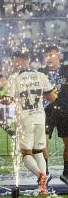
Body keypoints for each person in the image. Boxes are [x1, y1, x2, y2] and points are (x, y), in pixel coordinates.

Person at [2, 51, 55, 195]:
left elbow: (7, 100)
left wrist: (1, 97)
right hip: (40, 117)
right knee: (39, 152)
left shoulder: (14, 77)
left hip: (25, 119)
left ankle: (40, 176)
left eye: (15, 61)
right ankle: (43, 188)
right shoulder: (41, 76)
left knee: (25, 153)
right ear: (28, 60)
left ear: (18, 61)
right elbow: (52, 97)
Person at [39, 45, 68, 185]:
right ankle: (46, 172)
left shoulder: (66, 70)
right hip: (46, 111)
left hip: (64, 110)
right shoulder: (40, 73)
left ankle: (66, 173)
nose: (48, 58)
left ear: (58, 55)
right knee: (42, 141)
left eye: (51, 54)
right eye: (46, 56)